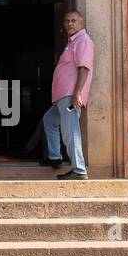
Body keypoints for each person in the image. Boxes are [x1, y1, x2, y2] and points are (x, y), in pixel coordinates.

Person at [42, 9, 95, 181]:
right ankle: (55, 157)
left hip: (70, 95)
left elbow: (84, 69)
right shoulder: (73, 42)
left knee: (71, 131)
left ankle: (79, 169)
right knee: (49, 120)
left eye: (73, 21)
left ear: (82, 23)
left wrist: (77, 94)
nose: (70, 24)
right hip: (62, 96)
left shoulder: (83, 41)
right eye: (67, 21)